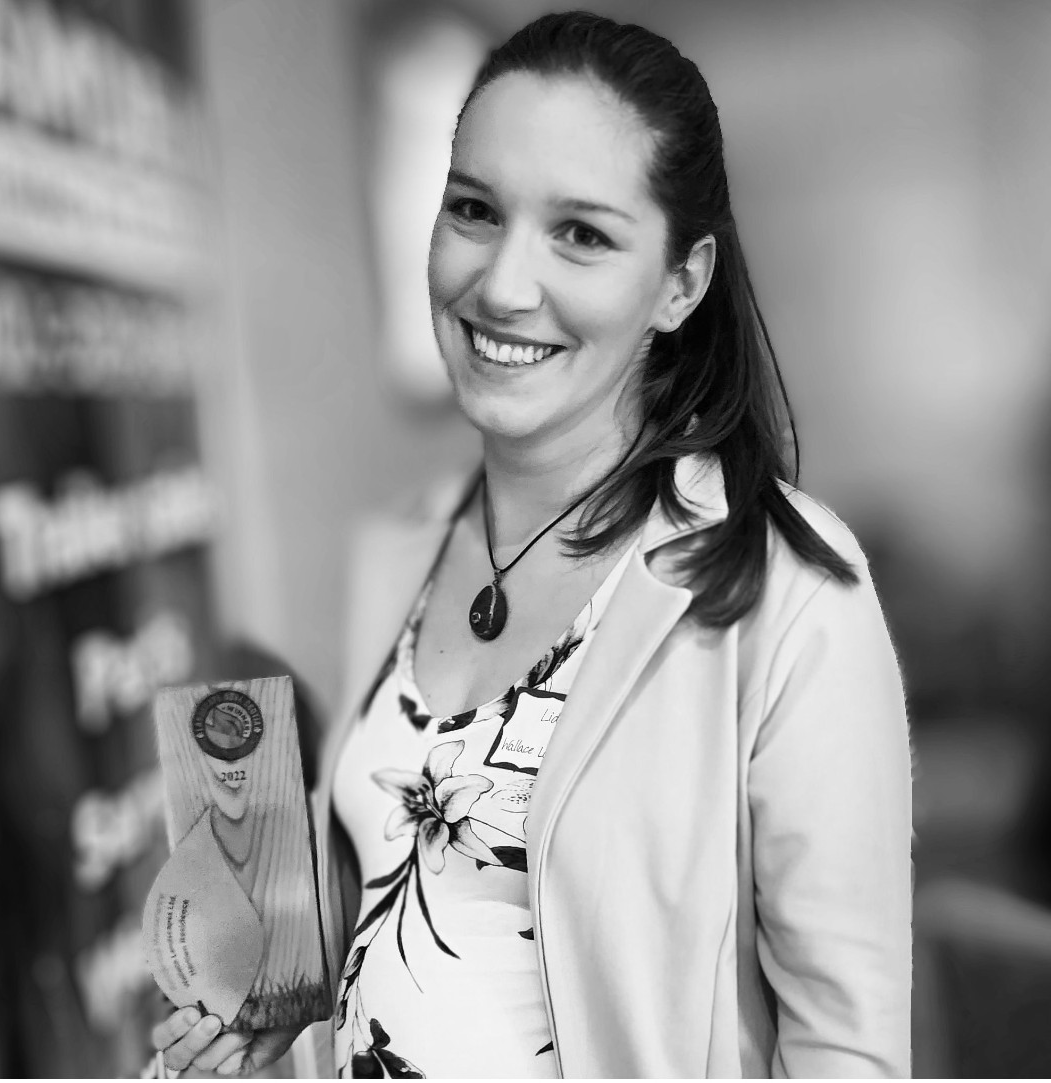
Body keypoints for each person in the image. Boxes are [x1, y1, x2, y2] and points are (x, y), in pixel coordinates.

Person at [154, 10, 911, 1078]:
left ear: (681, 283)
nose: (503, 285)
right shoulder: (394, 553)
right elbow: (407, 925)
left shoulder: (786, 593)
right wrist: (288, 1024)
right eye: (474, 210)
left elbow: (848, 1051)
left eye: (583, 234)